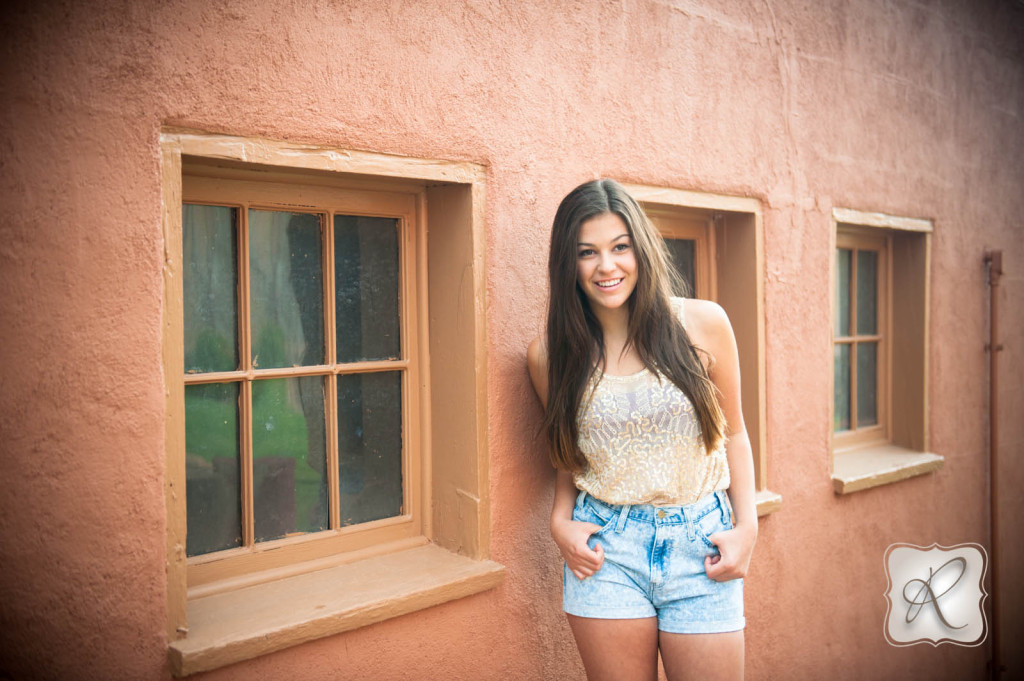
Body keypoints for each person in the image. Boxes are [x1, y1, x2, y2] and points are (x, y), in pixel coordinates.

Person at [527, 179, 757, 681]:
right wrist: (558, 521)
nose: (606, 266)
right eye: (588, 252)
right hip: (607, 551)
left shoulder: (703, 324)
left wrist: (748, 528)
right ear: (568, 263)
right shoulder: (550, 356)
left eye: (619, 247)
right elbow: (570, 457)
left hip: (702, 545)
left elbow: (734, 432)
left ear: (641, 249)